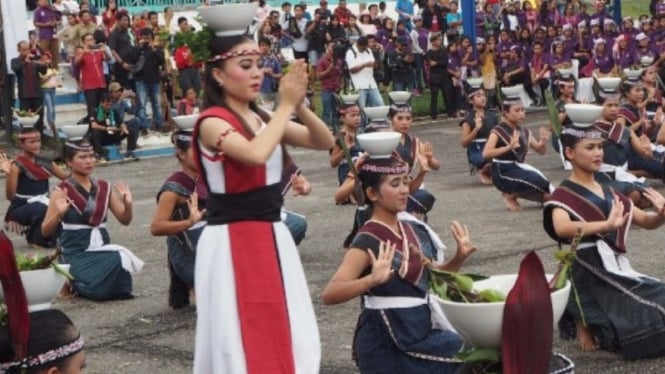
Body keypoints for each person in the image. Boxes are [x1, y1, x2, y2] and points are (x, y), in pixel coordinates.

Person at [190, 16, 334, 372]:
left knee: (286, 326)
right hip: (232, 238)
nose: (256, 73)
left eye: (258, 65)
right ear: (218, 75)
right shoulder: (212, 121)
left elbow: (324, 141)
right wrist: (284, 108)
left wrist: (297, 105)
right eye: (244, 66)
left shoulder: (262, 115)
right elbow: (255, 154)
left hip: (269, 233)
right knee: (238, 337)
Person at [321, 155, 477, 373]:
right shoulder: (367, 239)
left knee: (486, 353)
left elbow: (434, 279)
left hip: (421, 328)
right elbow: (330, 293)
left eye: (405, 182)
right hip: (388, 339)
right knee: (478, 357)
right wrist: (371, 280)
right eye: (395, 184)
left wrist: (459, 257)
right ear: (372, 193)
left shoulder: (413, 230)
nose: (404, 189)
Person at [543, 121, 665, 359]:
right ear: (569, 152)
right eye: (590, 147)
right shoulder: (563, 194)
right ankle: (586, 319)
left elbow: (647, 222)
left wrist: (661, 215)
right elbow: (562, 227)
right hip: (588, 271)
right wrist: (606, 225)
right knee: (652, 315)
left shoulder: (610, 191)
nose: (598, 153)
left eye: (600, 146)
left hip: (614, 268)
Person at [41, 140, 144, 301]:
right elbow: (45, 231)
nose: (89, 161)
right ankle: (71, 280)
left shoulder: (104, 187)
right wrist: (58, 214)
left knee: (119, 258)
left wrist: (128, 205)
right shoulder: (62, 190)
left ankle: (80, 281)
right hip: (75, 252)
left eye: (91, 156)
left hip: (101, 250)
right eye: (82, 157)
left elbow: (125, 220)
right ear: (69, 161)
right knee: (99, 292)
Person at [150, 130, 206, 309]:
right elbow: (156, 227)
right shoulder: (174, 188)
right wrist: (189, 223)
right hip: (187, 251)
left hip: (215, 244)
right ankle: (192, 284)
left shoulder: (213, 179)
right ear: (181, 154)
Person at [482, 97, 553, 211]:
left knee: (551, 198)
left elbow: (541, 151)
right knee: (538, 181)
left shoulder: (524, 131)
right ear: (506, 113)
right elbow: (486, 153)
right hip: (502, 171)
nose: (521, 113)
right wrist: (508, 147)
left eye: (523, 110)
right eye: (517, 110)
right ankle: (511, 196)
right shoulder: (498, 130)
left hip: (518, 169)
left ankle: (515, 194)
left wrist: (543, 143)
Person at [1, 128, 68, 247]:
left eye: (39, 141)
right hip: (21, 206)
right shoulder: (16, 165)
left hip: (44, 201)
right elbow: (10, 196)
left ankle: (55, 237)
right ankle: (35, 239)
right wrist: (9, 174)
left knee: (64, 206)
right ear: (21, 144)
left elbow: (67, 178)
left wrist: (78, 165)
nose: (37, 145)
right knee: (42, 208)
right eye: (32, 142)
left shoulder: (45, 161)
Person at [459, 87, 499, 185]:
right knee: (490, 158)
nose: (483, 98)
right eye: (479, 96)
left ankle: (492, 172)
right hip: (477, 150)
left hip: (491, 146)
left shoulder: (492, 116)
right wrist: (476, 129)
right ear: (471, 100)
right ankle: (483, 171)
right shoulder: (468, 119)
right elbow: (464, 143)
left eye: (484, 95)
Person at [89, 93, 140, 161]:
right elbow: (94, 125)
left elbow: (121, 122)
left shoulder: (114, 111)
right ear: (101, 103)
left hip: (113, 134)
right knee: (95, 133)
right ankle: (100, 154)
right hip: (103, 136)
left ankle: (129, 152)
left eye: (110, 104)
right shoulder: (95, 112)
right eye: (106, 104)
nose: (108, 107)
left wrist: (124, 129)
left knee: (130, 130)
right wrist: (106, 128)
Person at [11, 41, 49, 134]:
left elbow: (43, 72)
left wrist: (44, 64)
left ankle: (40, 139)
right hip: (25, 95)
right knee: (24, 119)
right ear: (19, 50)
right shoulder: (15, 60)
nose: (26, 51)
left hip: (37, 94)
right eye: (24, 50)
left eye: (28, 49)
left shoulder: (34, 60)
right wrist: (25, 61)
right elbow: (16, 69)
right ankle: (25, 138)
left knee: (39, 118)